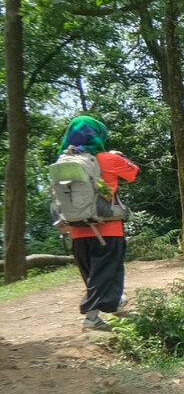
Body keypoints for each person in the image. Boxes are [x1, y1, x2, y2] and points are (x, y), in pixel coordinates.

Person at [54, 116, 138, 330]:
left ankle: (114, 304)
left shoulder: (63, 162)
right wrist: (119, 156)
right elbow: (133, 172)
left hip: (77, 231)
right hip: (107, 229)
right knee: (107, 272)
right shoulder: (107, 159)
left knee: (94, 275)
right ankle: (91, 317)